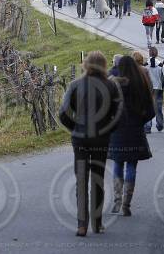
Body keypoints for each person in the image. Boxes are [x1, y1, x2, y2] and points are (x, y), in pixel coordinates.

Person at [58, 51, 122, 236]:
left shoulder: (75, 85)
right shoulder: (111, 86)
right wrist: (108, 129)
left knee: (81, 180)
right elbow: (118, 113)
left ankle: (81, 224)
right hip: (101, 138)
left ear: (85, 64)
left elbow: (64, 113)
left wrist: (75, 128)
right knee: (98, 179)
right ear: (103, 65)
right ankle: (98, 222)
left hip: (80, 138)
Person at [108, 56, 154, 216]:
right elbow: (150, 109)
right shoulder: (140, 83)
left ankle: (117, 200)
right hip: (135, 129)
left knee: (118, 164)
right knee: (132, 166)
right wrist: (140, 120)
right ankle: (127, 203)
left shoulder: (112, 83)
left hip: (117, 129)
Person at [145, 46, 164, 133]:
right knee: (158, 108)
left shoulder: (145, 65)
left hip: (147, 89)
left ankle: (147, 126)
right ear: (157, 53)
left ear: (149, 53)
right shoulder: (161, 66)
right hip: (158, 89)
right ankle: (160, 124)